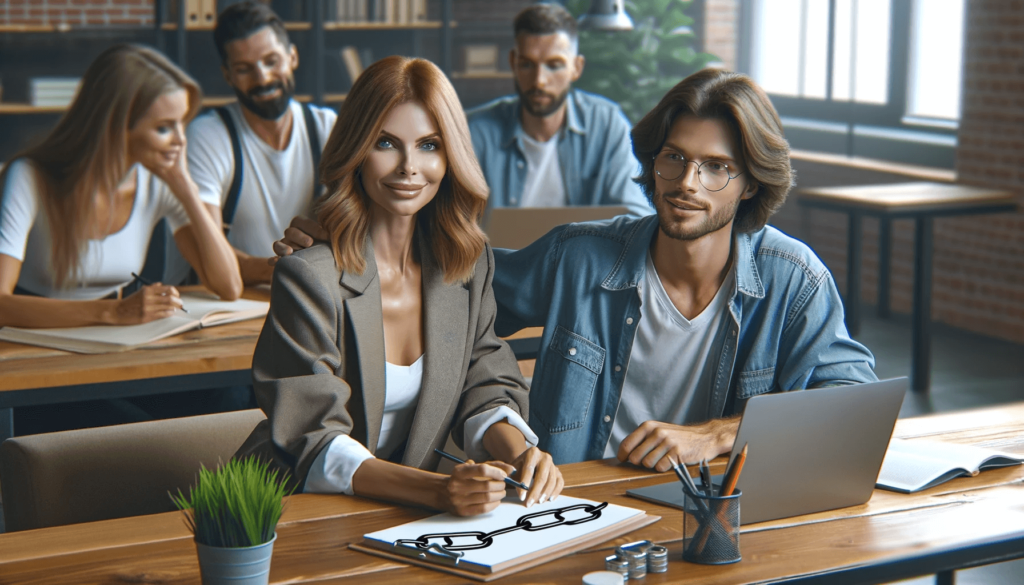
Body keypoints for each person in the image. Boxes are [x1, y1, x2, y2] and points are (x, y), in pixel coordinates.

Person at [491, 69, 878, 467]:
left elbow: (855, 406)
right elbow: (455, 302)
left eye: (716, 167)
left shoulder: (793, 277)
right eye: (674, 157)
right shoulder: (577, 256)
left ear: (750, 185)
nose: (687, 183)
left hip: (718, 508)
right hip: (579, 502)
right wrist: (498, 413)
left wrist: (718, 434)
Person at [238, 56, 563, 515]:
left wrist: (520, 455)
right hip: (288, 508)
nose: (410, 167)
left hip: (399, 513)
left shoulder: (468, 268)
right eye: (386, 143)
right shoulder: (308, 275)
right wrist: (436, 491)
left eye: (429, 145)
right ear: (356, 149)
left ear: (451, 157)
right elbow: (314, 437)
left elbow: (484, 379)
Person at [0, 44, 241, 329]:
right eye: (164, 128)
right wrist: (112, 313)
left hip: (114, 339)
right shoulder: (30, 177)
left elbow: (229, 286)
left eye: (182, 124)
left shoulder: (159, 181)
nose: (181, 141)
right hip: (30, 342)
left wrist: (185, 186)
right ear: (115, 125)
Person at [185, 1, 336, 285]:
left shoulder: (327, 128)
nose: (262, 78)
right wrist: (291, 271)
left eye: (271, 61)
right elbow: (207, 252)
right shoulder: (207, 136)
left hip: (314, 294)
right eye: (244, 69)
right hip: (231, 300)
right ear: (227, 75)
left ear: (292, 57)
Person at [465, 3, 651, 216]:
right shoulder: (474, 133)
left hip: (583, 251)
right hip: (497, 251)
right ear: (513, 63)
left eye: (554, 65)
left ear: (576, 68)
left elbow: (637, 216)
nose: (539, 81)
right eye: (527, 64)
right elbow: (445, 222)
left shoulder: (607, 125)